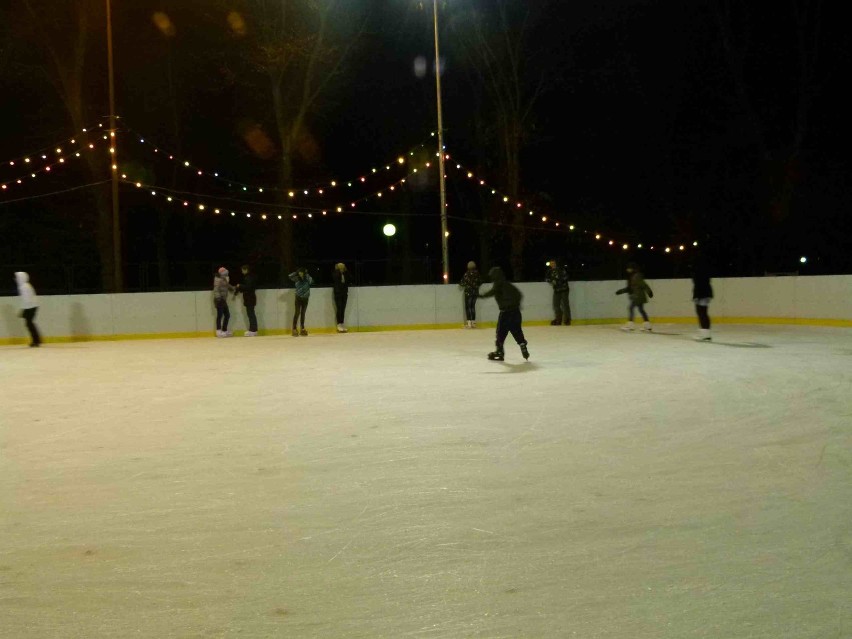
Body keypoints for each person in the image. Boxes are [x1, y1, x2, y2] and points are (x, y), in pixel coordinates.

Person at [478, 266, 529, 361]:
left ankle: (499, 351)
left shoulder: (498, 284)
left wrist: (481, 295)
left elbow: (492, 292)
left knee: (500, 332)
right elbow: (519, 294)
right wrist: (517, 304)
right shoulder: (508, 285)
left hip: (505, 313)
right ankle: (523, 346)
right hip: (516, 312)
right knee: (517, 331)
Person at [615, 262, 653, 332]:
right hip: (638, 296)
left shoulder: (636, 276)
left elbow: (644, 285)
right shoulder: (632, 276)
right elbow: (630, 288)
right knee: (641, 310)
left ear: (632, 269)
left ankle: (630, 325)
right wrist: (620, 291)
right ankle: (647, 326)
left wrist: (649, 292)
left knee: (631, 308)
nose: (627, 270)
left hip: (637, 296)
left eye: (628, 268)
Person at [14, 271, 41, 347]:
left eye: (16, 277)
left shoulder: (23, 287)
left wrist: (23, 310)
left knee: (29, 324)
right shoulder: (26, 285)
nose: (15, 279)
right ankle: (36, 340)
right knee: (29, 323)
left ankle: (36, 341)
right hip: (32, 306)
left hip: (30, 307)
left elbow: (26, 299)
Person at [691, 255, 713, 342]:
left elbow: (698, 285)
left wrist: (696, 296)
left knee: (701, 313)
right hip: (707, 293)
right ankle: (706, 334)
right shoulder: (706, 270)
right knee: (704, 313)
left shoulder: (697, 272)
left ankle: (705, 334)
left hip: (701, 294)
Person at [235, 264, 259, 336]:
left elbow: (248, 287)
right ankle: (253, 329)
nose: (242, 272)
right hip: (250, 298)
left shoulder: (248, 277)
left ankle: (253, 330)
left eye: (242, 270)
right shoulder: (250, 277)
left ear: (246, 270)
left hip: (249, 298)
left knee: (251, 314)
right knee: (251, 314)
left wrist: (240, 286)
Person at [546, 259, 571, 325]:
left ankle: (567, 319)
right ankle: (558, 319)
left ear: (556, 263)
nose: (552, 264)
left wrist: (559, 281)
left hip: (564, 289)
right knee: (556, 305)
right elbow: (547, 279)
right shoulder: (550, 271)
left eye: (553, 263)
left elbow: (566, 277)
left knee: (565, 304)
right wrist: (551, 281)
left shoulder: (561, 270)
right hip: (556, 290)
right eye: (551, 263)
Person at [289, 266, 313, 336]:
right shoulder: (296, 279)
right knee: (297, 313)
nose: (300, 274)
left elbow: (311, 281)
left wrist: (307, 274)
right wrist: (296, 272)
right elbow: (290, 276)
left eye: (301, 272)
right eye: (299, 272)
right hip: (298, 298)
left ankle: (302, 328)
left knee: (303, 313)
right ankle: (294, 328)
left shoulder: (307, 279)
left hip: (305, 298)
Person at [459, 261, 482, 328]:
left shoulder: (467, 274)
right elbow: (480, 282)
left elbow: (461, 283)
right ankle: (473, 323)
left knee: (468, 307)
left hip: (468, 292)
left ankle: (469, 323)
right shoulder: (477, 274)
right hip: (475, 292)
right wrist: (475, 286)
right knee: (473, 307)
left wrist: (467, 285)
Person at [213, 267, 235, 337]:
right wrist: (219, 298)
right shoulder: (218, 279)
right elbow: (216, 290)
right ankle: (218, 331)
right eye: (225, 273)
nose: (227, 274)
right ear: (222, 273)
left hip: (223, 300)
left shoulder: (224, 279)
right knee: (220, 315)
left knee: (227, 315)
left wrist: (234, 288)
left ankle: (224, 330)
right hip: (219, 300)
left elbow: (227, 285)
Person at [332, 262, 349, 333]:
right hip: (338, 294)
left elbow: (350, 278)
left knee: (343, 309)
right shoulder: (335, 273)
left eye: (343, 266)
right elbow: (335, 278)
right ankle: (339, 324)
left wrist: (346, 271)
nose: (342, 268)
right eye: (340, 267)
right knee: (339, 308)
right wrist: (339, 271)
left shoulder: (345, 274)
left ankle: (342, 323)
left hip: (344, 293)